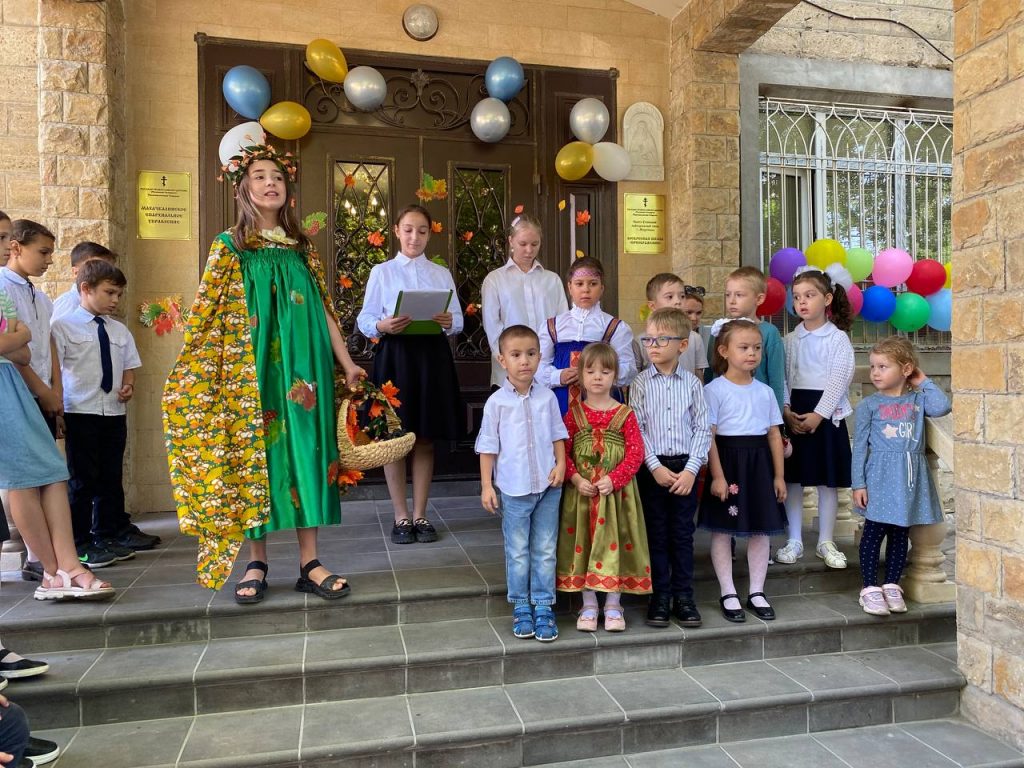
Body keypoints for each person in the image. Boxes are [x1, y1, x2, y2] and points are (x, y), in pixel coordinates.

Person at [164, 144, 366, 599]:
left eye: (277, 176)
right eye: (259, 175)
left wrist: (348, 363)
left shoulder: (302, 248)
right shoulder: (229, 247)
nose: (270, 182)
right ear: (243, 188)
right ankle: (256, 561)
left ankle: (310, 562)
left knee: (309, 450)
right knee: (255, 454)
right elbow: (207, 313)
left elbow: (325, 311)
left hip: (305, 367)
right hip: (249, 367)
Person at [1, 266, 113, 600]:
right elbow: (17, 340)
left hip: (12, 385)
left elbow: (23, 351)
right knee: (23, 477)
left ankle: (68, 566)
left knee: (52, 471)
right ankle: (52, 571)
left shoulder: (4, 294)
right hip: (8, 389)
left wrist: (15, 340)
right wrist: (16, 337)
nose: (6, 247)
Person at [356, 204, 462, 546]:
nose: (414, 237)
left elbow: (458, 320)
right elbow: (365, 318)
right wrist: (382, 325)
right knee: (395, 437)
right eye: (408, 229)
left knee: (425, 436)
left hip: (432, 356)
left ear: (429, 234)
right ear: (396, 231)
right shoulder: (382, 272)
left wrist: (449, 321)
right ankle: (400, 515)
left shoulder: (440, 274)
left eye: (422, 231)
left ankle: (420, 514)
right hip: (396, 356)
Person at [52, 259, 156, 568]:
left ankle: (108, 533)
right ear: (86, 288)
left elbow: (129, 366)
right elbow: (55, 371)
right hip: (80, 411)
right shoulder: (63, 326)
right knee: (82, 479)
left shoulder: (119, 330)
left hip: (112, 413)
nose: (115, 300)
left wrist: (128, 385)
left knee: (111, 476)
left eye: (119, 294)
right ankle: (80, 542)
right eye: (109, 293)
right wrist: (57, 409)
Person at [476, 325, 568, 642]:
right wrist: (486, 486)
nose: (524, 361)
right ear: (502, 360)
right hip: (514, 490)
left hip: (548, 487)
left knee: (545, 548)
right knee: (517, 550)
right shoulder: (496, 403)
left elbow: (558, 435)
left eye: (530, 354)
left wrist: (561, 464)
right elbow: (488, 446)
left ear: (539, 357)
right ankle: (521, 606)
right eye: (516, 355)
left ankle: (543, 605)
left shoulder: (547, 398)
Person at [853, 337, 951, 616]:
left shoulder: (918, 400)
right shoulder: (869, 405)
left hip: (909, 478)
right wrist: (858, 483)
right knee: (874, 532)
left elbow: (942, 406)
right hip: (880, 477)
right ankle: (870, 588)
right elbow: (859, 447)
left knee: (900, 533)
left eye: (883, 366)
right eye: (873, 366)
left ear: (906, 369)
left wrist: (921, 379)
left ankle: (891, 585)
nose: (875, 373)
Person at [556, 342, 650, 633]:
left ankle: (613, 604)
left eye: (605, 371)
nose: (598, 377)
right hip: (583, 496)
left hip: (617, 497)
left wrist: (615, 478)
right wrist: (575, 478)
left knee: (615, 543)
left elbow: (636, 453)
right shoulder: (573, 415)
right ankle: (588, 604)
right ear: (581, 376)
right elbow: (562, 453)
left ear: (615, 376)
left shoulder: (625, 414)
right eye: (591, 371)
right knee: (584, 543)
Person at [701, 319, 787, 623]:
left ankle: (757, 591)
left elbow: (774, 434)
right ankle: (727, 591)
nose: (752, 353)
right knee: (724, 529)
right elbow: (709, 436)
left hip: (759, 464)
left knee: (760, 529)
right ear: (724, 351)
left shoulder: (765, 392)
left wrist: (779, 475)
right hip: (728, 461)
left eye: (757, 348)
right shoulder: (713, 390)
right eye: (744, 347)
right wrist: (718, 476)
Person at [631, 308, 711, 628]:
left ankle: (684, 596)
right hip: (653, 470)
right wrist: (654, 467)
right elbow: (637, 429)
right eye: (649, 339)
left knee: (681, 534)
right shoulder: (639, 384)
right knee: (656, 533)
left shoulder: (692, 384)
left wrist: (691, 470)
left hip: (684, 469)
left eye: (662, 339)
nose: (653, 345)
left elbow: (702, 428)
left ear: (682, 345)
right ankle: (660, 596)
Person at [778, 267, 856, 570]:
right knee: (793, 478)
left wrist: (819, 415)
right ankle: (794, 539)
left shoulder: (837, 339)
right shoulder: (789, 340)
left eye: (809, 295)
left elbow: (839, 378)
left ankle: (825, 540)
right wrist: (786, 409)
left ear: (827, 298)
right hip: (796, 412)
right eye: (797, 297)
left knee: (827, 481)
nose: (802, 302)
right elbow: (782, 377)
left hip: (825, 414)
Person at [538, 257, 636, 415]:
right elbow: (538, 366)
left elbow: (629, 369)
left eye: (593, 284)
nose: (586, 290)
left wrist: (598, 374)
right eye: (579, 284)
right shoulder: (552, 326)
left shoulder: (615, 328)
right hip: (558, 406)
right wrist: (558, 376)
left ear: (602, 288)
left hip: (603, 407)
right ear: (569, 287)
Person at [481, 214, 567, 389]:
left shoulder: (552, 280)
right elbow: (493, 328)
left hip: (547, 371)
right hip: (507, 376)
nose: (529, 250)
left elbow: (562, 324)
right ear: (511, 241)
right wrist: (510, 361)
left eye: (535, 244)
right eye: (523, 244)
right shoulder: (495, 280)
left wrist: (550, 362)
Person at [0, 221, 61, 440]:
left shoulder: (40, 297)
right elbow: (11, 351)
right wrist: (42, 391)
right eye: (43, 252)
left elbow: (48, 341)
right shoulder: (3, 288)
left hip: (44, 394)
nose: (49, 260)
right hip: (17, 394)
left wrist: (56, 390)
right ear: (16, 248)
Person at [712, 267, 786, 411]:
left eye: (739, 295)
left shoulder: (769, 332)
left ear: (759, 299)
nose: (732, 301)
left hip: (758, 408)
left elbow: (776, 380)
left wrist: (776, 418)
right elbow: (713, 370)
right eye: (728, 295)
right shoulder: (720, 330)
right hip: (724, 408)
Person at [632, 274, 708, 379]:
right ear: (652, 306)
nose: (678, 301)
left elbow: (699, 375)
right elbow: (635, 377)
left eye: (682, 296)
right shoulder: (641, 341)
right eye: (670, 297)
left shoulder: (694, 338)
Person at [50, 241, 117, 323]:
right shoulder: (69, 303)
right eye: (96, 269)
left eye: (109, 271)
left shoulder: (99, 304)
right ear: (76, 272)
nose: (105, 275)